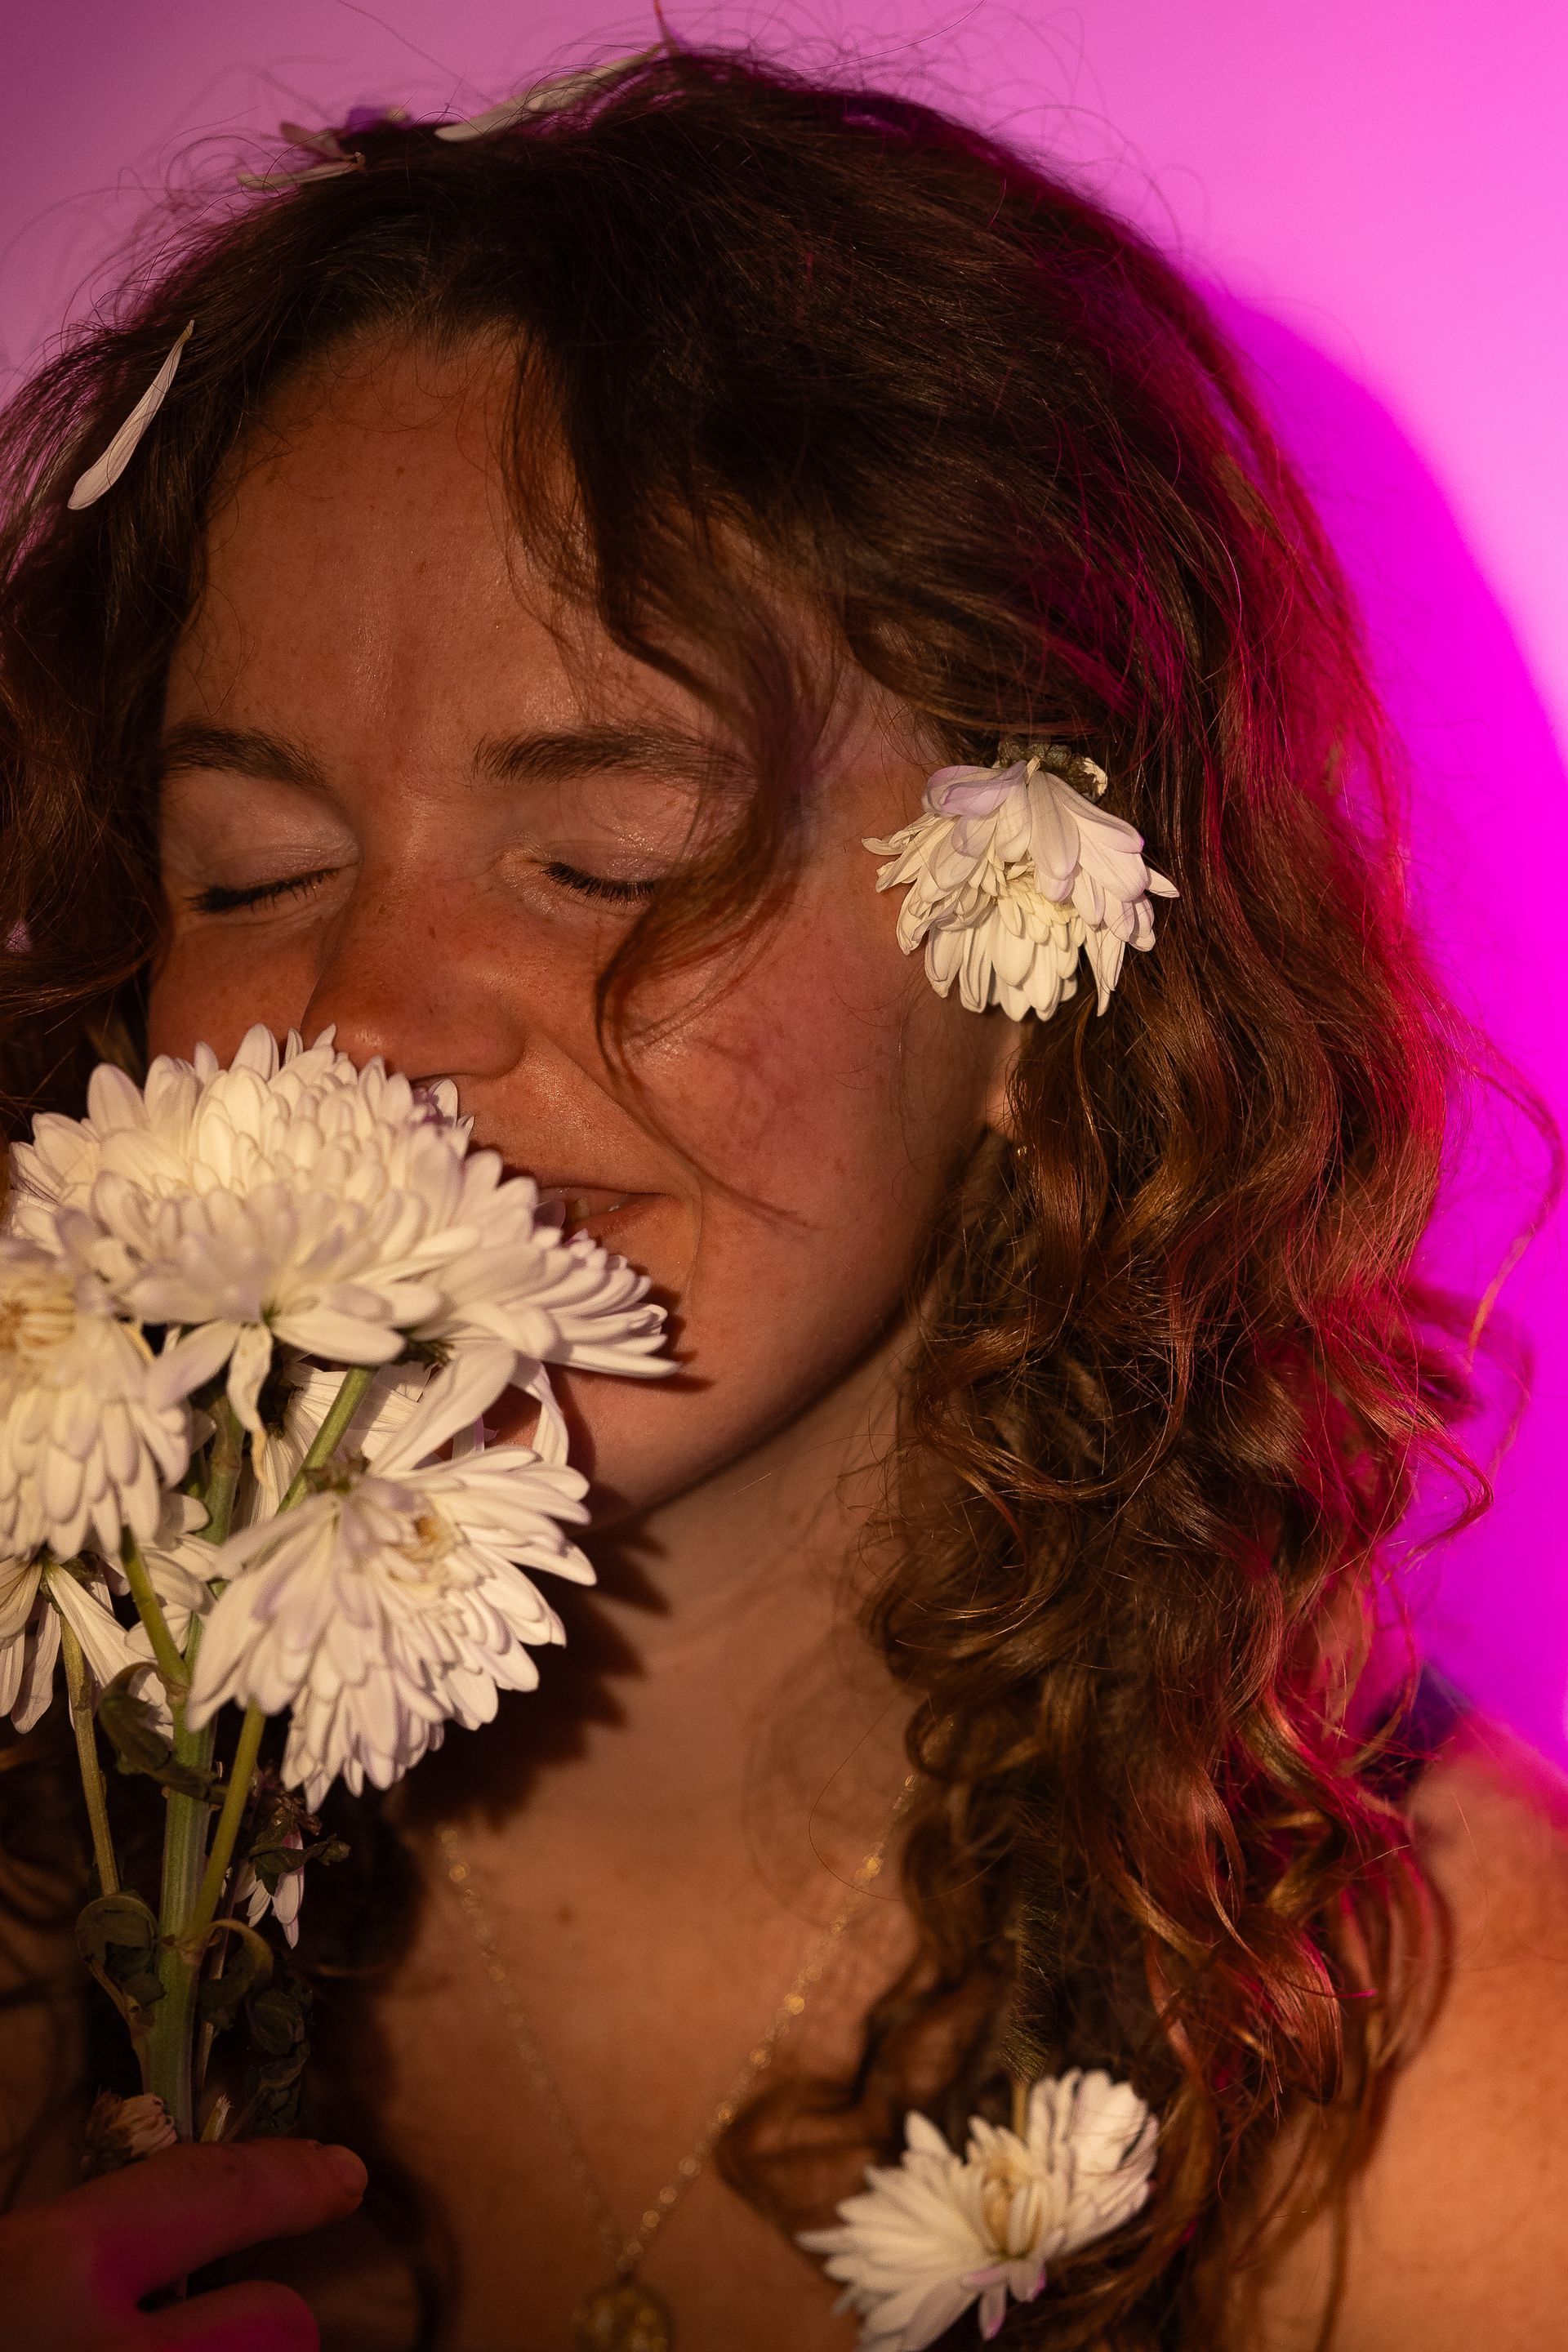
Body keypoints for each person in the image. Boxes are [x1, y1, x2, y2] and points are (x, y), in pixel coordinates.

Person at [1, 47, 1565, 2352]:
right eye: (259, 869)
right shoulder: (58, 1884)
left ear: (1048, 960)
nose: (365, 1011)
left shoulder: (1445, 2105)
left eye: (604, 860)